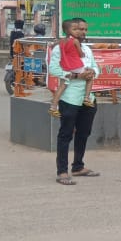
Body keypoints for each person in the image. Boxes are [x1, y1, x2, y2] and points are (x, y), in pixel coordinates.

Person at [50, 18, 101, 186]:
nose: (83, 32)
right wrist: (77, 76)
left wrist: (93, 71)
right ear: (70, 30)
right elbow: (54, 69)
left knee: (84, 133)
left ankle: (78, 166)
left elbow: (96, 67)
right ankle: (62, 171)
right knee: (65, 134)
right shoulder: (60, 48)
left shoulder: (86, 49)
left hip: (87, 99)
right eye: (79, 29)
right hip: (69, 97)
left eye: (85, 29)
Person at [49, 28, 96, 117]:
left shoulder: (61, 41)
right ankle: (86, 98)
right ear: (70, 31)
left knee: (62, 86)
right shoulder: (75, 41)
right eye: (75, 29)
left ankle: (53, 107)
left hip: (66, 67)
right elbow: (81, 54)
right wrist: (82, 55)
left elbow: (53, 46)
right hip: (75, 66)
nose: (79, 31)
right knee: (90, 77)